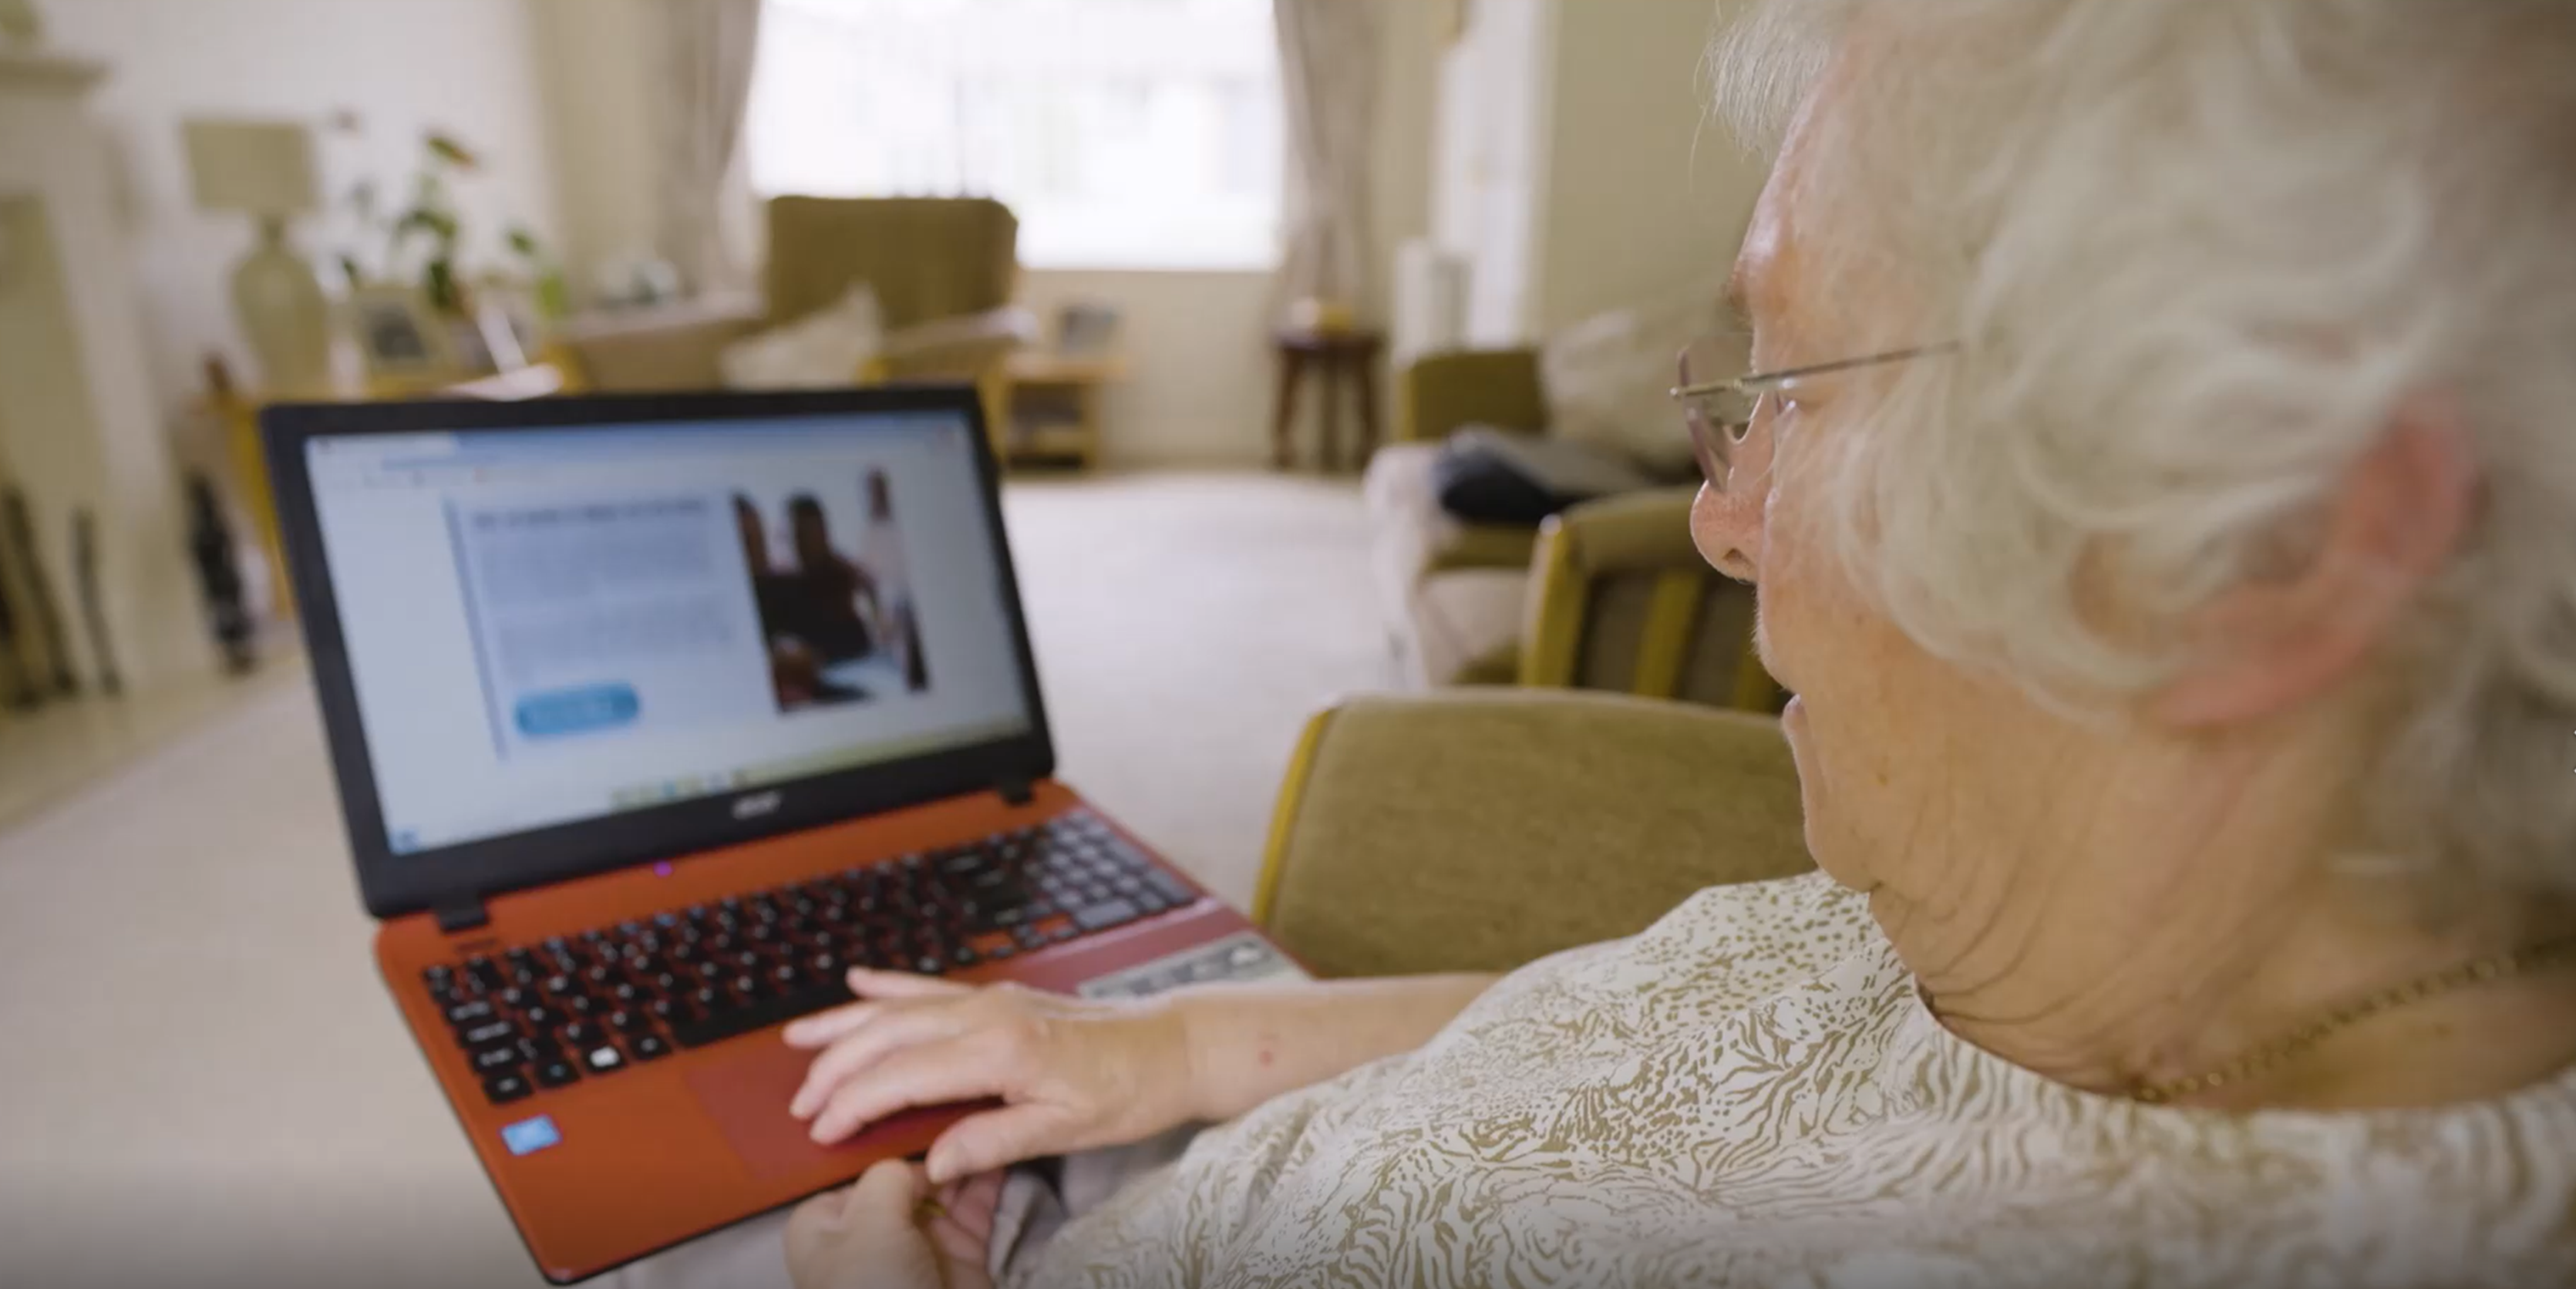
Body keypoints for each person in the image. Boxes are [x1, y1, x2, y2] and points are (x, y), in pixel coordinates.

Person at [634, 3, 2576, 1286]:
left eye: (1797, 388)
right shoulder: (2085, 921)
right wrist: (1154, 1048)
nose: (1716, 516)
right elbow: (1696, 1016)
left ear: (2249, 541)